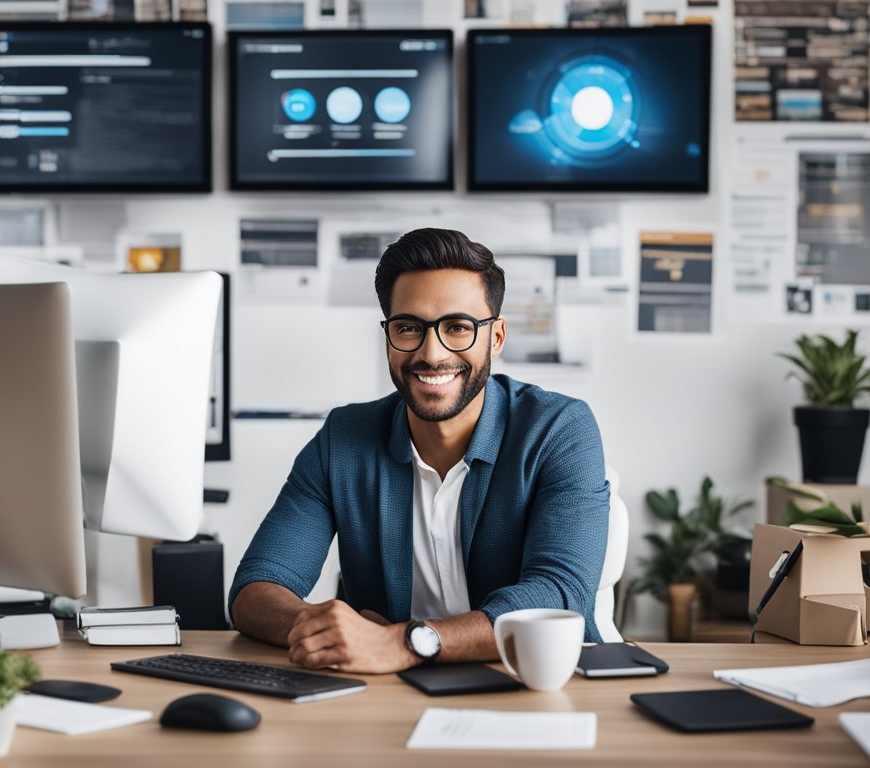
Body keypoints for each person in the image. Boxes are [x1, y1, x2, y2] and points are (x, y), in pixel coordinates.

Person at [229, 228, 609, 674]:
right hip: (382, 694)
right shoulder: (343, 439)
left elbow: (560, 594)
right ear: (388, 335)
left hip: (526, 682)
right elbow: (255, 589)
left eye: (458, 327)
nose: (432, 353)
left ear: (498, 337)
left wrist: (405, 642)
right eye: (408, 327)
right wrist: (324, 628)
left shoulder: (559, 429)